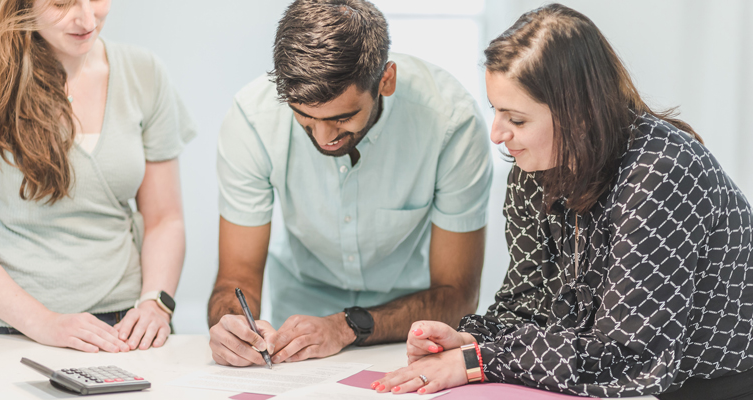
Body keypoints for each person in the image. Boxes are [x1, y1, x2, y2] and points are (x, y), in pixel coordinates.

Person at [373, 4, 753, 399]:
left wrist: (478, 361)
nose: (497, 133)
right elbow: (524, 306)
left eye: (516, 119)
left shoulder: (662, 172)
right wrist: (465, 341)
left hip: (715, 386)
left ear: (580, 116)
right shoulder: (533, 166)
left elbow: (628, 354)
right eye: (495, 111)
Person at [208, 0, 493, 367]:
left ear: (385, 81)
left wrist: (345, 327)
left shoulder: (452, 124)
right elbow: (237, 274)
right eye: (305, 118)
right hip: (292, 333)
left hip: (410, 334)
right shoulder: (252, 119)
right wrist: (229, 325)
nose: (324, 137)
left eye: (342, 117)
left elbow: (458, 297)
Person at [0, 0, 195, 353]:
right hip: (21, 330)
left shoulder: (144, 72)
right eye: (61, 3)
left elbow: (164, 219)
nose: (86, 18)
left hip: (128, 329)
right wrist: (45, 323)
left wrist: (155, 304)